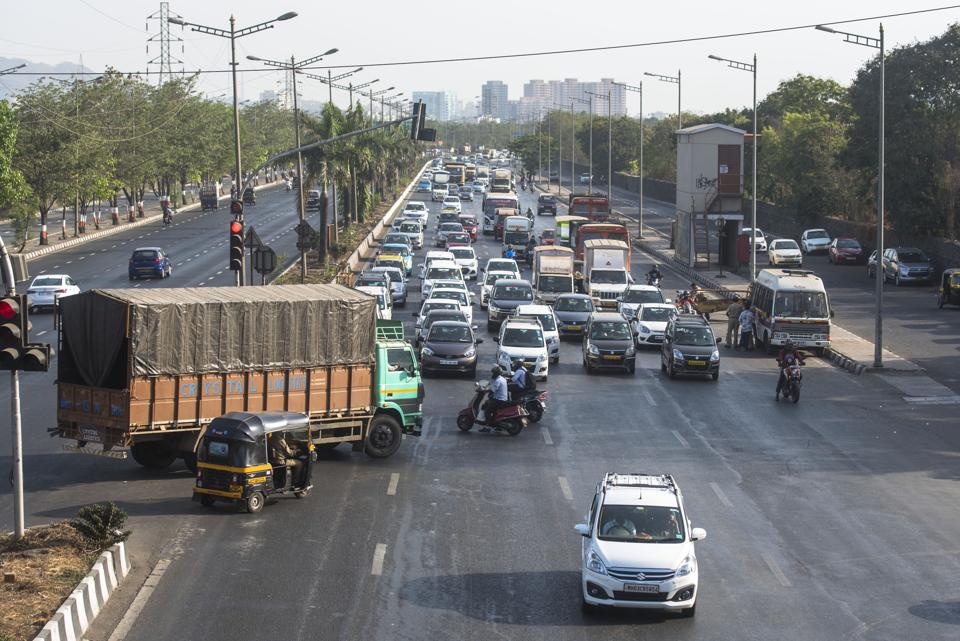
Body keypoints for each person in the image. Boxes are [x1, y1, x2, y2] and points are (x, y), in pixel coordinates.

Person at [480, 366, 509, 430]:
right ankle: (498, 425)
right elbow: (491, 384)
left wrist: (484, 390)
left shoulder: (498, 380)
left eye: (494, 373)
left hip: (499, 400)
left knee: (487, 410)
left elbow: (492, 390)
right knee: (489, 404)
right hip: (502, 399)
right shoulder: (502, 379)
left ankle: (487, 427)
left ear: (496, 373)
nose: (492, 374)